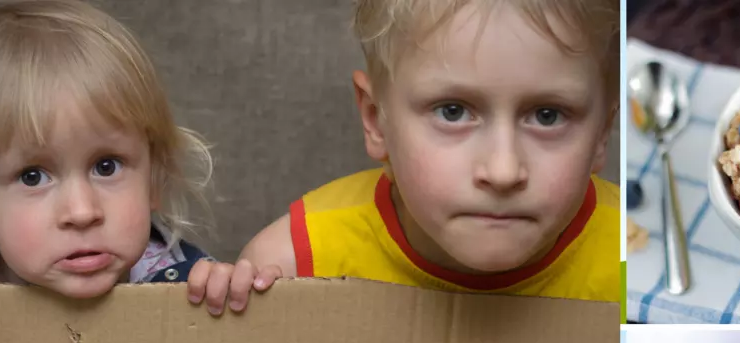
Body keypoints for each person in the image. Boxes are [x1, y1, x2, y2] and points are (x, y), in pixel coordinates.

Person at [188, 0, 621, 315]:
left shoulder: (638, 270)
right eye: (452, 111)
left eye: (548, 116)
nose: (504, 170)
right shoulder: (295, 265)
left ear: (602, 133)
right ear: (376, 119)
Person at [0, 0, 214, 335]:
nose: (82, 212)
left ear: (154, 178)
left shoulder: (189, 284)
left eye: (106, 166)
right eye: (32, 176)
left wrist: (233, 308)